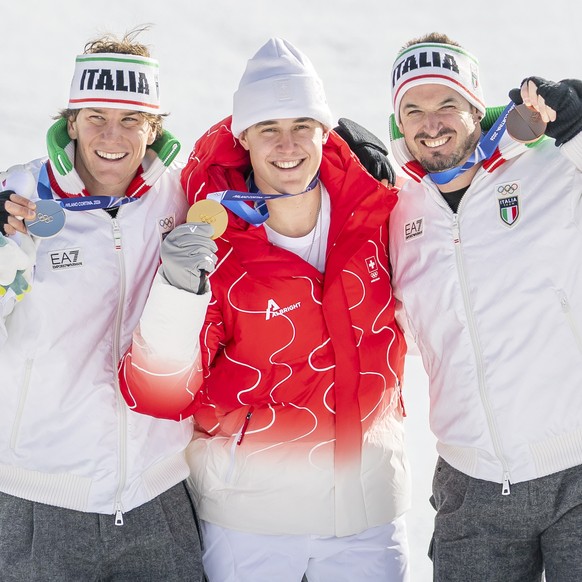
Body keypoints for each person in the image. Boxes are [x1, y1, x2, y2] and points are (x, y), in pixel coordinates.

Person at [120, 37, 411, 582]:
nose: (288, 145)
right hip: (249, 517)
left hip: (366, 512)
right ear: (244, 138)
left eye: (303, 124)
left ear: (327, 131)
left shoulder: (377, 212)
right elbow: (158, 391)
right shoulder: (214, 238)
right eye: (268, 129)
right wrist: (179, 288)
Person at [0, 29, 205, 581]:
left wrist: (353, 156)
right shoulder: (18, 197)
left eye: (131, 119)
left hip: (156, 495)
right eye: (95, 117)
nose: (112, 135)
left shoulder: (182, 196)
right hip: (38, 497)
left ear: (155, 127)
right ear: (71, 120)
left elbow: (275, 170)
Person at [384, 32, 582, 581]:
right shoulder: (396, 208)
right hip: (471, 483)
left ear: (477, 105)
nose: (432, 123)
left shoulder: (552, 163)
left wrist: (579, 125)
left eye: (447, 103)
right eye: (413, 109)